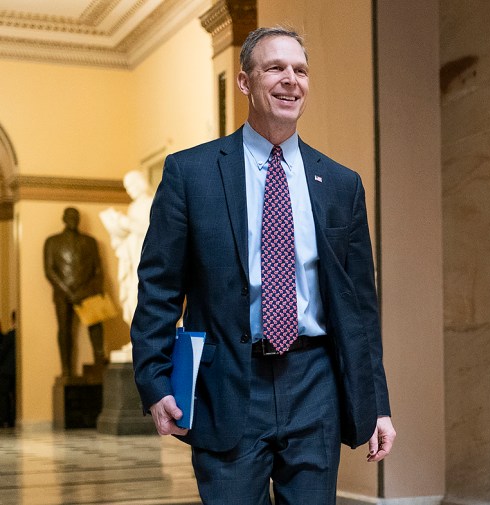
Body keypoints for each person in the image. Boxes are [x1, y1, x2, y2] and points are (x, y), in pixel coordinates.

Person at [131, 26, 395, 504]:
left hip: (315, 384)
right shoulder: (190, 174)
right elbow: (158, 287)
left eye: (300, 70)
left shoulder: (340, 183)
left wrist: (376, 403)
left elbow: (359, 310)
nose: (290, 80)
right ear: (245, 81)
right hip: (227, 384)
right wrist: (154, 380)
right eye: (275, 68)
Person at [44, 207, 107, 377]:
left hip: (87, 292)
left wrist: (85, 290)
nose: (73, 219)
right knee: (64, 331)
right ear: (63, 218)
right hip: (62, 294)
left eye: (76, 216)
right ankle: (66, 369)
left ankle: (99, 363)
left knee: (96, 328)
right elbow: (50, 271)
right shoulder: (52, 241)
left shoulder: (90, 242)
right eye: (70, 216)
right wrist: (67, 291)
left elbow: (98, 271)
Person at [100, 169, 153, 325]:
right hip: (133, 254)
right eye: (127, 187)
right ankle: (137, 336)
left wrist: (127, 223)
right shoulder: (133, 207)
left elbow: (154, 230)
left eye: (131, 185)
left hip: (146, 254)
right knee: (133, 294)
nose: (129, 190)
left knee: (145, 294)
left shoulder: (152, 202)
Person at [0, 310, 14, 427]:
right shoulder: (10, 336)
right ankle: (11, 419)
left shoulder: (9, 336)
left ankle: (4, 419)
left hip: (6, 370)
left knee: (4, 395)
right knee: (13, 395)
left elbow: (2, 353)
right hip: (15, 370)